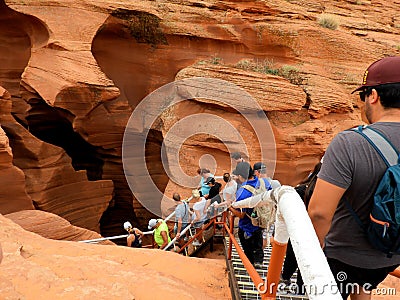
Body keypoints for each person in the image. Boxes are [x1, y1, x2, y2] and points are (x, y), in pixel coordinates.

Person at [308, 56, 400, 300]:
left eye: (363, 96)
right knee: (363, 286)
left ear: (373, 96)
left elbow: (319, 213)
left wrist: (309, 257)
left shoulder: (350, 142)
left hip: (342, 258)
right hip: (389, 257)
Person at [281, 161, 322, 294]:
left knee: (292, 257)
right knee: (308, 262)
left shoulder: (300, 189)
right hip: (317, 233)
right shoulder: (326, 195)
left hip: (298, 230)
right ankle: (300, 290)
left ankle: (285, 278)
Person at [228, 161, 272, 268]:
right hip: (262, 220)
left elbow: (241, 215)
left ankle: (251, 266)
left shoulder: (243, 192)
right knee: (258, 244)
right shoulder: (264, 183)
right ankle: (259, 261)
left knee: (248, 249)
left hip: (247, 225)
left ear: (240, 176)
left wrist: (230, 207)